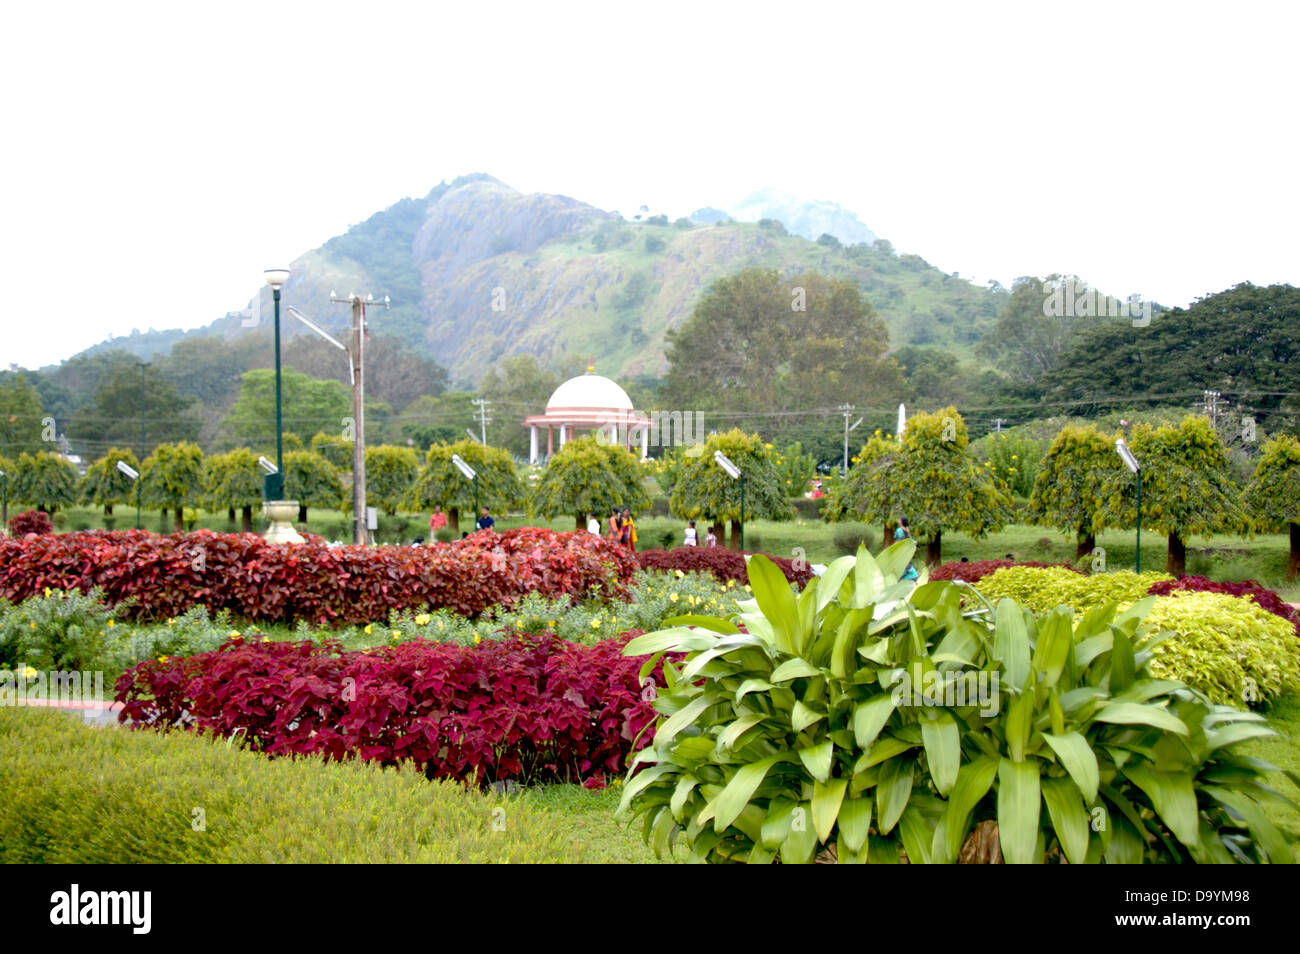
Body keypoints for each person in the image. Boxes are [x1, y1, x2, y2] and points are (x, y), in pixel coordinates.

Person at [894, 516, 919, 581]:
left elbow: (898, 542)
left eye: (899, 520)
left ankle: (900, 580)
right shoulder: (907, 530)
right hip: (907, 553)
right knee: (908, 566)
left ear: (901, 522)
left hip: (901, 552)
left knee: (901, 567)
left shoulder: (899, 530)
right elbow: (909, 540)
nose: (898, 521)